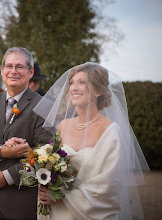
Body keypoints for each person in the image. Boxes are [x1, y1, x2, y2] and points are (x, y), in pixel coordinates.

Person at [33, 62, 150, 219]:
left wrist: (63, 198)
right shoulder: (63, 125)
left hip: (88, 213)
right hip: (57, 214)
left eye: (82, 82)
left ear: (98, 91)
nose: (73, 88)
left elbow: (109, 186)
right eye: (72, 83)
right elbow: (50, 165)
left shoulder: (110, 130)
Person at [0, 47, 51, 220]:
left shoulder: (44, 106)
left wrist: (7, 177)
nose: (13, 71)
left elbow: (46, 154)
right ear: (2, 70)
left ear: (30, 72)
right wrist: (2, 151)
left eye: (19, 67)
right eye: (9, 66)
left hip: (20, 203)